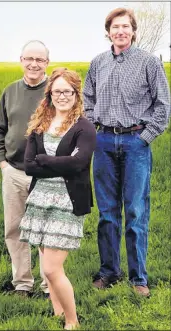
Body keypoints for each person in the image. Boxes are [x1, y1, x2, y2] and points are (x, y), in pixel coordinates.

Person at [83, 8, 170, 297]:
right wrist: (95, 126)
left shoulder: (148, 62)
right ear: (108, 31)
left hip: (136, 143)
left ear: (133, 31)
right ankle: (109, 271)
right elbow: (87, 98)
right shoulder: (97, 63)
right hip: (105, 143)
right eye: (115, 26)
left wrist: (145, 137)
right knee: (107, 212)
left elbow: (163, 105)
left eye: (125, 26)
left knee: (135, 211)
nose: (120, 31)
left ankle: (138, 277)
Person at [19, 67, 96, 329]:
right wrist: (58, 162)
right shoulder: (40, 123)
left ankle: (72, 321)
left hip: (67, 200)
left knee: (52, 268)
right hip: (40, 198)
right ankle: (57, 313)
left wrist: (45, 160)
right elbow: (29, 165)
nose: (62, 96)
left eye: (68, 91)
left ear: (76, 94)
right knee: (45, 264)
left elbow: (79, 163)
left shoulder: (83, 127)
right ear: (49, 93)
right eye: (57, 91)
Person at [0, 40, 50, 297]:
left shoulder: (55, 91)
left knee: (46, 231)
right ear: (21, 61)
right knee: (14, 229)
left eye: (39, 59)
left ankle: (50, 285)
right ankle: (23, 284)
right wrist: (3, 162)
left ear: (47, 63)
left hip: (46, 174)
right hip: (13, 172)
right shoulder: (10, 91)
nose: (34, 64)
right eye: (29, 59)